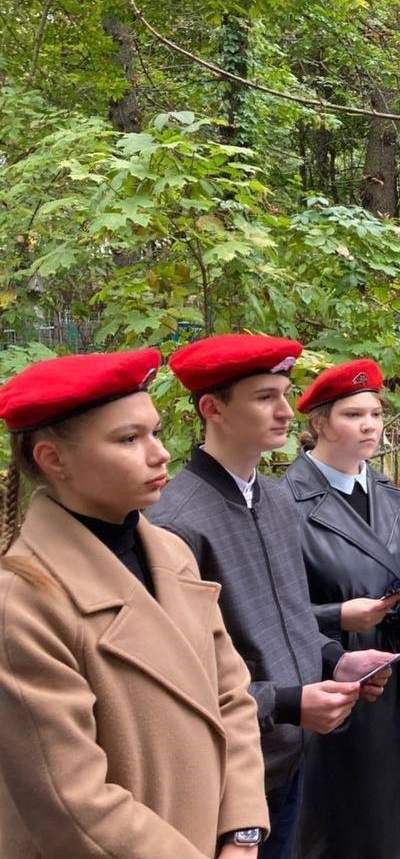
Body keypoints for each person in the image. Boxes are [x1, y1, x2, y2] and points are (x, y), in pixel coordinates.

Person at [0, 348, 269, 858]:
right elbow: (72, 804)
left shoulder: (171, 553)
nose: (160, 453)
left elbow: (232, 697)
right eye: (129, 439)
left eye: (155, 432)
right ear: (53, 460)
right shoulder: (24, 601)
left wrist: (242, 832)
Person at [147, 334, 394, 859]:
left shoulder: (277, 501)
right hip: (230, 778)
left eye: (284, 394)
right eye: (265, 397)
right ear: (212, 409)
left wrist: (336, 660)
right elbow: (179, 679)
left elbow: (292, 616)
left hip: (293, 758)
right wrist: (285, 703)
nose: (285, 411)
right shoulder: (174, 524)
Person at [282, 358, 400, 859]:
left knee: (393, 815)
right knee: (337, 822)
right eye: (353, 415)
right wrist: (338, 617)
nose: (370, 425)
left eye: (375, 413)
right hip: (328, 680)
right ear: (318, 423)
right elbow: (268, 611)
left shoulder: (389, 496)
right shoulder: (285, 504)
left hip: (390, 672)